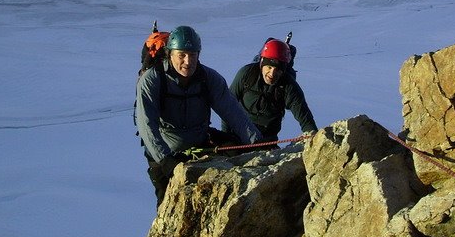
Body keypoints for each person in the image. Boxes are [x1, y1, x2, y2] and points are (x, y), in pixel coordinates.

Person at [135, 25, 263, 205]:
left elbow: (233, 112)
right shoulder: (152, 80)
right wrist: (165, 160)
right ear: (170, 54)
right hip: (165, 152)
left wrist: (256, 142)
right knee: (167, 203)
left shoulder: (209, 78)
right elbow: (146, 125)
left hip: (200, 142)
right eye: (182, 55)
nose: (188, 61)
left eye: (193, 55)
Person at [224, 38, 318, 142]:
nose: (272, 74)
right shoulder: (247, 74)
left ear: (283, 71)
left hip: (266, 141)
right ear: (261, 63)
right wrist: (226, 138)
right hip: (238, 136)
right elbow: (228, 106)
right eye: (269, 67)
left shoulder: (288, 86)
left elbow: (305, 118)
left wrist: (314, 139)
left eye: (278, 69)